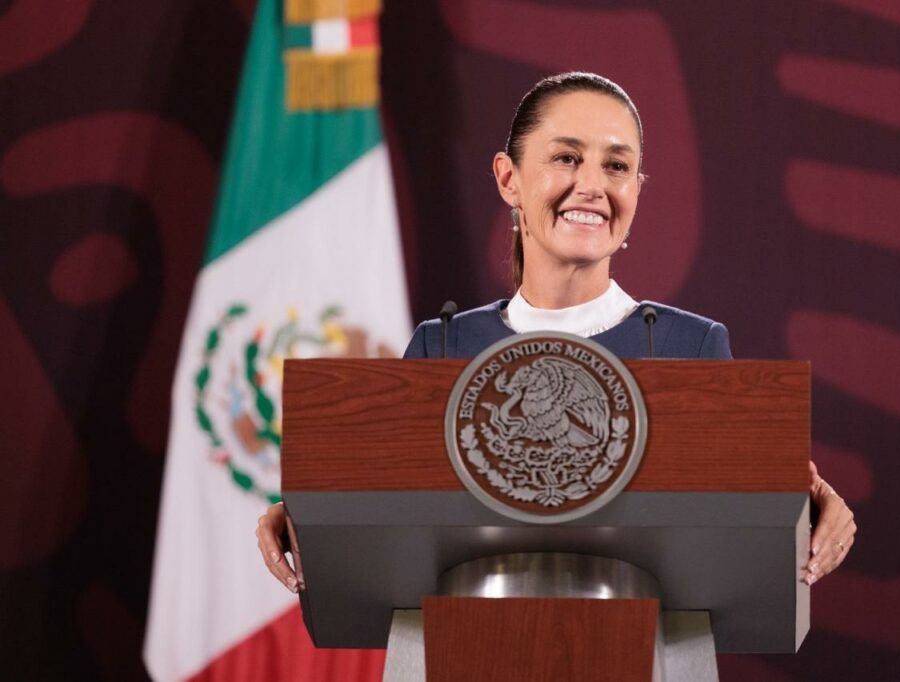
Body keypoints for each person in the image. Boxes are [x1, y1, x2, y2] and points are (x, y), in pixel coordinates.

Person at [256, 72, 855, 593]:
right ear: (508, 179)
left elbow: (746, 520)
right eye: (566, 157)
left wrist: (809, 503)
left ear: (637, 191)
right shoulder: (441, 348)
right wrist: (307, 513)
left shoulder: (690, 349)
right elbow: (382, 514)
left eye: (616, 166)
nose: (593, 185)